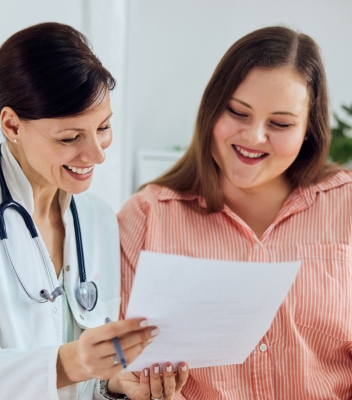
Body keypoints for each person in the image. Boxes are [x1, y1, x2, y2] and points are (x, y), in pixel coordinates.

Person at [0, 23, 188, 400]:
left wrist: (113, 386)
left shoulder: (96, 218)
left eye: (104, 128)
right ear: (12, 124)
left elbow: (84, 379)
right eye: (70, 137)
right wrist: (72, 363)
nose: (96, 154)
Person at [119, 26, 352, 399]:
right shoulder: (147, 217)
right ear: (212, 108)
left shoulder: (347, 205)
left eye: (280, 124)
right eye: (238, 112)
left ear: (309, 129)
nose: (254, 137)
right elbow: (114, 362)